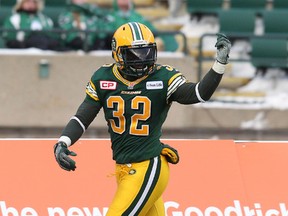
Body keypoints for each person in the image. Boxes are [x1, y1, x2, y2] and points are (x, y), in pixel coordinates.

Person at [53, 22, 231, 215]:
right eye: (134, 54)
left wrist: (219, 64)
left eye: (146, 53)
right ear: (117, 54)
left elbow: (199, 93)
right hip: (124, 169)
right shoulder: (103, 77)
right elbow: (82, 117)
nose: (141, 61)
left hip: (147, 167)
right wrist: (63, 141)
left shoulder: (163, 77)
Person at [109, 0, 179, 52]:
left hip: (140, 49)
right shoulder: (110, 17)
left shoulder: (138, 17)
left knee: (159, 41)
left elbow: (152, 31)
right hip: (121, 48)